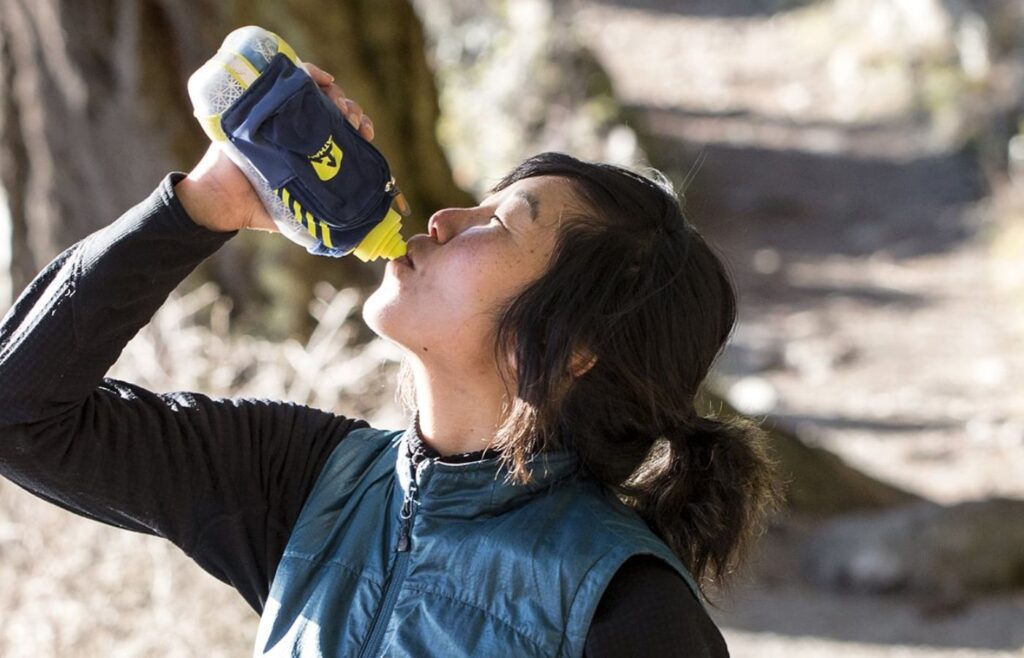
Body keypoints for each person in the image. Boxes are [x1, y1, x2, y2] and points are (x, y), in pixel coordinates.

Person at [0, 63, 781, 657]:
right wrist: (207, 203)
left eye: (501, 225)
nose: (444, 218)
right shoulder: (303, 483)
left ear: (577, 347)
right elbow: (20, 414)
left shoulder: (629, 613)